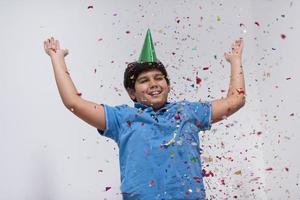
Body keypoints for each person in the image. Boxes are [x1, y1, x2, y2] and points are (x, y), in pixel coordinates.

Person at [44, 29, 245, 200]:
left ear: (168, 86)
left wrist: (235, 61)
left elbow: (236, 100)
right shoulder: (122, 118)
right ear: (132, 92)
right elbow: (74, 102)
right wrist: (57, 58)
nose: (154, 83)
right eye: (144, 80)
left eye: (159, 78)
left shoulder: (188, 112)